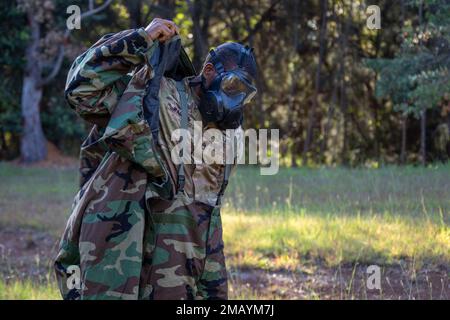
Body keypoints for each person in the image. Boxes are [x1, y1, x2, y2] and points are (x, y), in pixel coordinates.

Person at [54, 18, 257, 300]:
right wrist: (140, 39)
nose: (236, 100)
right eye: (233, 87)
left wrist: (214, 289)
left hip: (182, 278)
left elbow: (209, 214)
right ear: (209, 71)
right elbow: (82, 90)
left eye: (244, 95)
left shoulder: (229, 136)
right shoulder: (158, 96)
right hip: (126, 267)